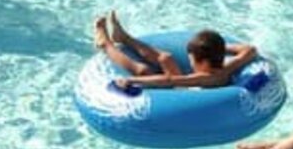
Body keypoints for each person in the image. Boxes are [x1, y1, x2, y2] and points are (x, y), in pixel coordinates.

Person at [92, 10, 257, 91]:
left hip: (185, 98)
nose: (190, 62)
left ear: (205, 62)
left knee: (143, 71)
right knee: (166, 58)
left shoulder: (206, 77)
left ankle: (105, 45)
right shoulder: (228, 67)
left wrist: (132, 80)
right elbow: (250, 49)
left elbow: (170, 80)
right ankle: (123, 38)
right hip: (187, 90)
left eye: (192, 59)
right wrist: (218, 49)